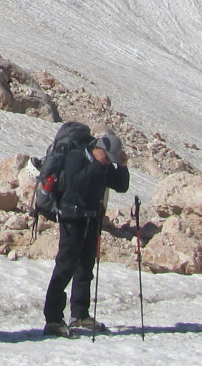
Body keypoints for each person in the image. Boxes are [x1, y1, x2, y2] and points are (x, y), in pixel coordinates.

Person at [43, 133, 129, 337]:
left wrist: (122, 167)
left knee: (85, 267)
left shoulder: (104, 165)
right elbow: (77, 183)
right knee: (65, 267)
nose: (108, 162)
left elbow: (121, 186)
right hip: (72, 218)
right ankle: (53, 318)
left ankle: (80, 314)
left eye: (110, 160)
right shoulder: (76, 157)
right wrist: (98, 165)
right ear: (99, 149)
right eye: (107, 157)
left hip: (91, 219)